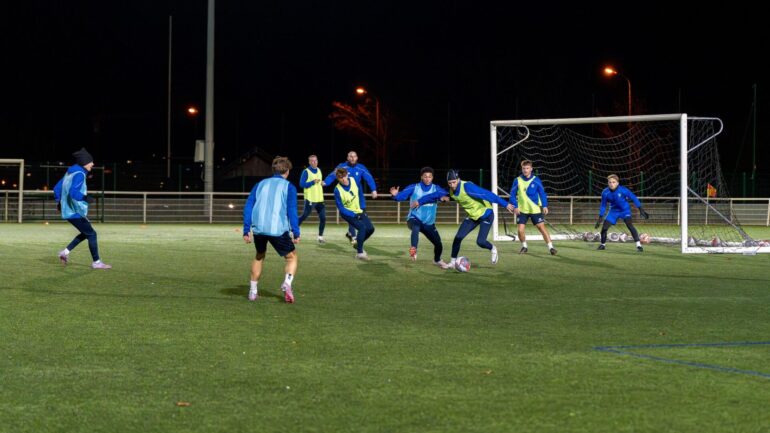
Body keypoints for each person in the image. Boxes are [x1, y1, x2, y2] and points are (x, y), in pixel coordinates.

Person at [425, 169, 514, 268]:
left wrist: (505, 204)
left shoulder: (468, 187)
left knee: (480, 242)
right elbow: (434, 195)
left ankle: (493, 248)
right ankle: (453, 262)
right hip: (472, 216)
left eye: (454, 182)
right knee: (458, 238)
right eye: (450, 183)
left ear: (458, 179)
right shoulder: (450, 190)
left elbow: (487, 194)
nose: (452, 185)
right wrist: (419, 202)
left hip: (486, 214)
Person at [242, 156, 300, 303]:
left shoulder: (260, 184)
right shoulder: (289, 186)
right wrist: (296, 232)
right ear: (287, 171)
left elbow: (248, 205)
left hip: (259, 229)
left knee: (259, 256)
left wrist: (246, 229)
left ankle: (253, 292)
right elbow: (292, 211)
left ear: (273, 170)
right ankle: (287, 283)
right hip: (278, 231)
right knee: (291, 257)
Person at [54, 148, 111, 269]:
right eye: (91, 161)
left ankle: (65, 252)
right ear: (85, 162)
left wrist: (59, 202)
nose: (93, 164)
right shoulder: (79, 174)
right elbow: (73, 193)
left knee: (86, 233)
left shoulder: (70, 172)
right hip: (74, 211)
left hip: (68, 211)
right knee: (92, 234)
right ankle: (96, 262)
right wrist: (85, 198)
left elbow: (56, 188)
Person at [389, 167, 449, 266]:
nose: (427, 179)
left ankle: (437, 260)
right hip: (413, 218)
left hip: (429, 223)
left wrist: (444, 199)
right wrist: (395, 195)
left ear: (432, 177)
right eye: (425, 177)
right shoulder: (414, 187)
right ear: (421, 177)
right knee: (416, 227)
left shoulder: (436, 188)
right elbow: (401, 196)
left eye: (429, 177)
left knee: (438, 244)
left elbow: (446, 196)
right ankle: (414, 249)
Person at [323, 151, 378, 245]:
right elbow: (333, 175)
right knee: (351, 214)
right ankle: (353, 236)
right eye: (350, 156)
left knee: (361, 214)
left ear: (357, 158)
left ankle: (351, 233)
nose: (352, 158)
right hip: (346, 196)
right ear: (347, 158)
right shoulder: (342, 166)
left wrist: (373, 189)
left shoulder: (361, 167)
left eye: (354, 156)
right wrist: (326, 182)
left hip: (358, 196)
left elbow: (369, 178)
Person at [509, 160, 557, 255]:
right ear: (522, 169)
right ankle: (524, 246)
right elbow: (512, 195)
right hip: (522, 210)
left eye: (527, 168)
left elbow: (542, 193)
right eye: (523, 168)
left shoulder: (536, 180)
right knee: (520, 229)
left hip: (534, 209)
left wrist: (544, 205)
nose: (525, 170)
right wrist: (515, 206)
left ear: (531, 169)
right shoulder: (517, 180)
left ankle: (551, 248)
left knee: (542, 228)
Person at [595, 174, 650, 252]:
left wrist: (641, 209)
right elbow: (603, 205)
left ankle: (639, 246)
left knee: (629, 225)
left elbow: (634, 198)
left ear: (617, 183)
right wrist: (600, 217)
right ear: (608, 183)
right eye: (610, 182)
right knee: (604, 228)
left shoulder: (623, 190)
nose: (611, 184)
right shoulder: (605, 192)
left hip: (625, 211)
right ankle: (602, 245)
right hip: (613, 212)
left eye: (613, 182)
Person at [333, 167, 375, 260]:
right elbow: (341, 208)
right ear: (337, 178)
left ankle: (357, 243)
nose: (343, 179)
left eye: (344, 176)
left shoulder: (353, 180)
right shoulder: (337, 190)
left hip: (358, 210)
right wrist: (353, 214)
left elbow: (359, 192)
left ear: (347, 174)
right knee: (362, 227)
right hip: (347, 213)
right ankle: (360, 253)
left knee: (371, 229)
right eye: (340, 177)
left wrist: (362, 207)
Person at [298, 154, 326, 243]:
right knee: (304, 216)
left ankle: (320, 237)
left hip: (320, 199)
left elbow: (320, 183)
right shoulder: (306, 171)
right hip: (310, 199)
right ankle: (293, 230)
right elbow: (301, 184)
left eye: (316, 160)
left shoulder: (319, 170)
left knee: (323, 218)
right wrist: (312, 182)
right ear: (309, 162)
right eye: (312, 161)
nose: (314, 162)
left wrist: (322, 183)